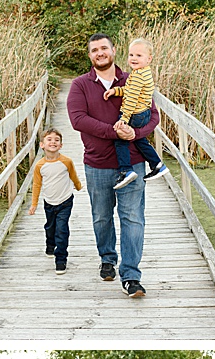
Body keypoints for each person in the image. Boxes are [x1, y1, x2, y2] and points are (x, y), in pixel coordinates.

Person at [67, 34, 162, 298]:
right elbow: (77, 119)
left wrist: (135, 133)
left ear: (113, 50)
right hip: (97, 164)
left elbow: (153, 116)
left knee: (133, 218)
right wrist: (114, 132)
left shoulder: (134, 78)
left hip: (133, 162)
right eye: (94, 50)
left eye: (104, 48)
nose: (100, 53)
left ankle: (131, 276)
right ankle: (107, 258)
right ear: (90, 55)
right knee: (101, 216)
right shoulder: (80, 85)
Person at [105, 39, 168, 189]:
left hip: (135, 114)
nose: (133, 58)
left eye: (139, 55)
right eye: (131, 55)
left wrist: (124, 119)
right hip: (144, 112)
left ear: (149, 59)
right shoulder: (143, 72)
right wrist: (116, 91)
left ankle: (126, 170)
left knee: (120, 139)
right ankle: (157, 164)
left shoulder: (138, 76)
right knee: (140, 140)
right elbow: (130, 90)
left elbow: (132, 99)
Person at [28, 129, 81, 274]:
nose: (53, 142)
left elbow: (73, 175)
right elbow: (37, 185)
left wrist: (78, 186)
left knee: (62, 229)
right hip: (49, 202)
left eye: (57, 140)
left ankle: (61, 259)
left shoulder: (66, 162)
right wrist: (34, 204)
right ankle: (50, 244)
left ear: (61, 145)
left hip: (65, 201)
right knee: (50, 227)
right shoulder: (39, 165)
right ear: (42, 145)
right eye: (49, 139)